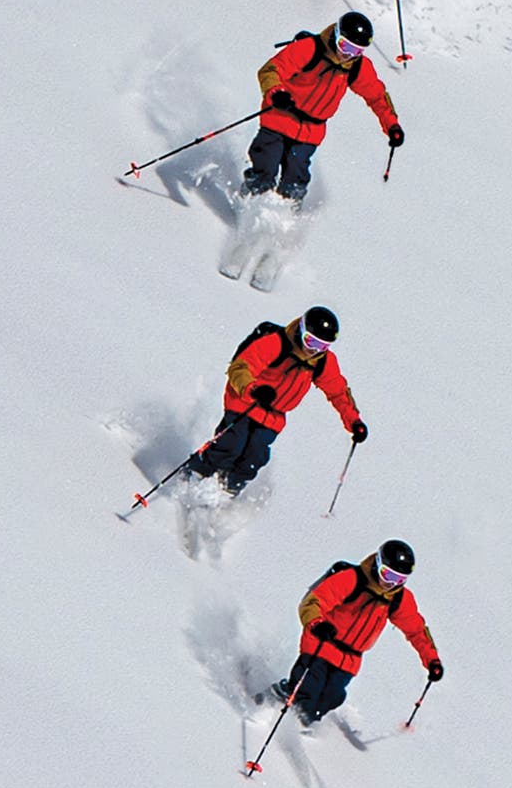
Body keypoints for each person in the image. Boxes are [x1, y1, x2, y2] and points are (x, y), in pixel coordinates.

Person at [188, 307, 367, 495]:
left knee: (255, 457)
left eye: (322, 346)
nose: (313, 350)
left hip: (273, 416)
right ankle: (196, 474)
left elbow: (338, 392)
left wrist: (354, 421)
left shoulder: (323, 362)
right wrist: (254, 389)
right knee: (232, 443)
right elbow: (240, 368)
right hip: (245, 401)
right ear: (301, 329)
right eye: (310, 341)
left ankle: (227, 490)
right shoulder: (276, 343)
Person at [274, 540, 443, 727]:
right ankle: (283, 716)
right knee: (309, 688)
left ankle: (304, 722)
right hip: (322, 642)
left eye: (399, 579)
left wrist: (432, 660)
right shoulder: (352, 580)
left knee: (332, 697)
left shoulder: (399, 599)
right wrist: (317, 624)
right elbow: (313, 602)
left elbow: (416, 630)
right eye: (388, 575)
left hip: (350, 659)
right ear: (378, 563)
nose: (391, 584)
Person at [245, 10, 403, 201]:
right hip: (279, 117)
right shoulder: (310, 49)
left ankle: (286, 217)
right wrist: (276, 93)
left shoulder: (357, 67)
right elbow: (270, 70)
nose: (348, 55)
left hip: (311, 131)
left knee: (295, 179)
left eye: (356, 51)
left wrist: (392, 125)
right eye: (345, 46)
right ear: (336, 35)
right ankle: (250, 203)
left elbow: (377, 96)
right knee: (266, 165)